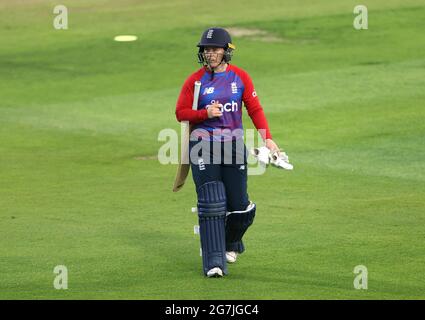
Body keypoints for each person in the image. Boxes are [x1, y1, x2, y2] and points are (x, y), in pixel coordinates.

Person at [175, 27, 282, 277]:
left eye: (214, 50)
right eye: (206, 50)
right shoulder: (195, 81)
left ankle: (232, 242)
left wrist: (268, 139)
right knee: (212, 202)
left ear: (226, 52)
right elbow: (181, 112)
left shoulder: (240, 77)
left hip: (233, 146)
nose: (209, 54)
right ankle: (214, 263)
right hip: (203, 145)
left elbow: (255, 109)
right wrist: (205, 114)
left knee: (240, 207)